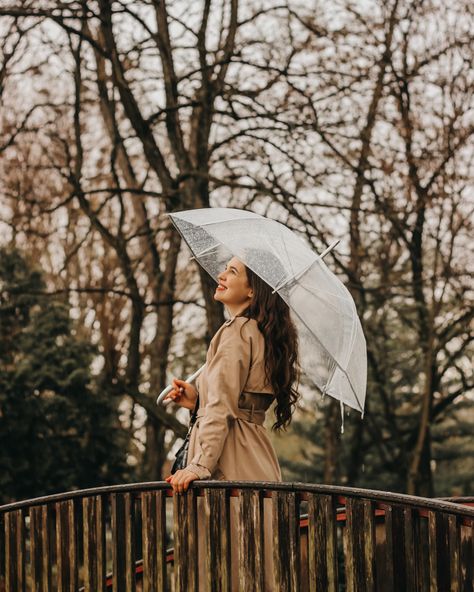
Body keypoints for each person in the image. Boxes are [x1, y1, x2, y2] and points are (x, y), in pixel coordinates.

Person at [165, 254, 300, 590]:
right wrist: (196, 401)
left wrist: (198, 466)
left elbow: (223, 408)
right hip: (253, 453)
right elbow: (241, 401)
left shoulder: (237, 332)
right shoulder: (259, 331)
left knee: (230, 568)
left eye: (233, 271)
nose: (222, 275)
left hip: (231, 459)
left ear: (252, 290)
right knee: (259, 566)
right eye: (225, 268)